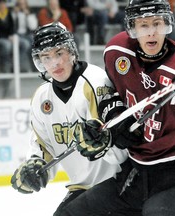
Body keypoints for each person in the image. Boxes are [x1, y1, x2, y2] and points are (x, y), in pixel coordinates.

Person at [58, 0, 175, 215]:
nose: (152, 32)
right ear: (132, 28)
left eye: (157, 23)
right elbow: (110, 92)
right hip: (133, 174)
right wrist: (116, 116)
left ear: (168, 25)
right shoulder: (117, 52)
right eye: (143, 25)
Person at [10, 22, 127, 216]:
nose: (54, 63)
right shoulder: (41, 98)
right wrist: (35, 167)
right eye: (45, 57)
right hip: (80, 187)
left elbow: (119, 147)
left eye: (59, 53)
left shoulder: (96, 81)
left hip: (117, 181)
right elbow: (43, 147)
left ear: (72, 51)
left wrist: (101, 143)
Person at [11, 0, 38, 72]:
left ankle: (35, 66)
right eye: (20, 4)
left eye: (23, 4)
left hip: (27, 34)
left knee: (34, 42)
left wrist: (28, 15)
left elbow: (33, 27)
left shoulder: (30, 13)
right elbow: (10, 26)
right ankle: (20, 67)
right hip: (16, 35)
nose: (22, 6)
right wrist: (15, 14)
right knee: (25, 44)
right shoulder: (13, 13)